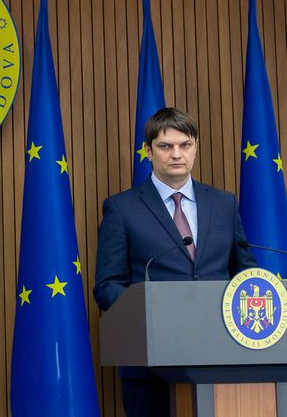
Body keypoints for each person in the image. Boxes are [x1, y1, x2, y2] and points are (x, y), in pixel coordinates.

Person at [93, 108, 256, 416]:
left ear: (196, 147)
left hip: (221, 356)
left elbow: (244, 269)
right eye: (165, 146)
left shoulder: (223, 204)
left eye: (185, 145)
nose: (176, 154)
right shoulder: (122, 208)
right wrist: (151, 311)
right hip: (150, 363)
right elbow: (107, 285)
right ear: (148, 151)